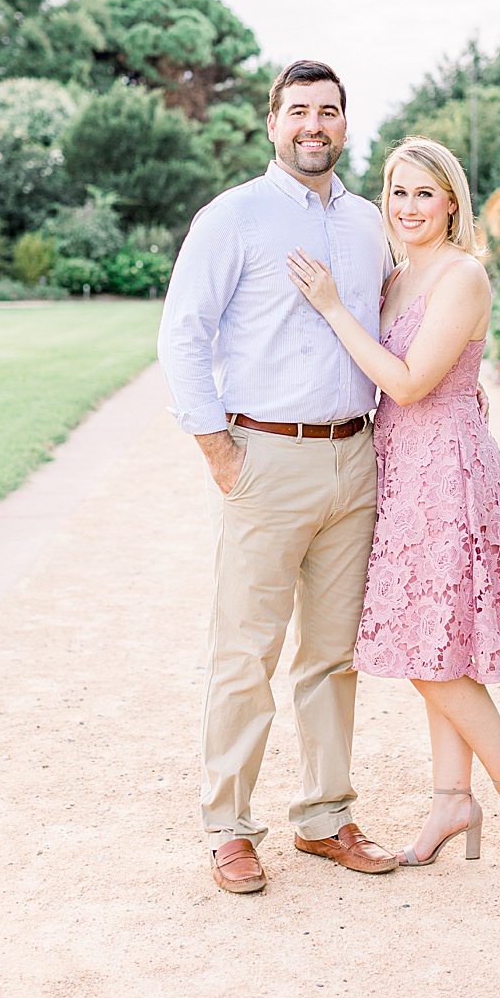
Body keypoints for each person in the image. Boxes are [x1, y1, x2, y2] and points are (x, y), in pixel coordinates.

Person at [286, 135, 500, 865]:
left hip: (445, 471)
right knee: (439, 641)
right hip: (403, 463)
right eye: (397, 192)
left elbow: (409, 383)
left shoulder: (463, 275)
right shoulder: (398, 275)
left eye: (423, 193)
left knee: (425, 647)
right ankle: (451, 800)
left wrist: (329, 308)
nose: (408, 206)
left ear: (451, 201)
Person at [159, 59, 397, 896]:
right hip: (266, 457)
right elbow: (182, 333)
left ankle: (326, 816)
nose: (314, 125)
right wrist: (218, 450)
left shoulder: (370, 223)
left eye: (329, 111)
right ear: (272, 121)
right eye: (299, 110)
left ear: (343, 123)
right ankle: (228, 826)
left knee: (333, 658)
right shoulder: (236, 217)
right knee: (244, 653)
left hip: (354, 455)